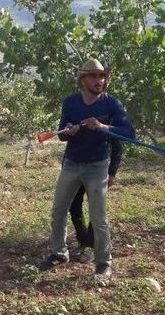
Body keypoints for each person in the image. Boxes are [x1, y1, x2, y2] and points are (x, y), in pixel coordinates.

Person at [39, 58, 135, 278]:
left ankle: (103, 262)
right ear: (82, 80)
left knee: (99, 217)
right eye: (93, 76)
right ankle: (60, 253)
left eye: (101, 76)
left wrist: (102, 126)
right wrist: (68, 131)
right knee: (58, 211)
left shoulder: (112, 104)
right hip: (71, 164)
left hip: (97, 166)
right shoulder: (70, 103)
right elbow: (62, 135)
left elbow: (129, 133)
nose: (99, 80)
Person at [68, 137, 122, 263]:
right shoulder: (78, 119)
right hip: (75, 170)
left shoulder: (106, 121)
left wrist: (112, 172)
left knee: (96, 208)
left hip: (97, 171)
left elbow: (117, 147)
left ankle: (92, 242)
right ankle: (83, 239)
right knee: (74, 206)